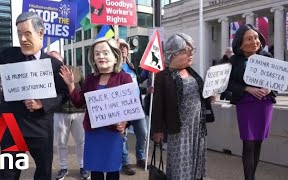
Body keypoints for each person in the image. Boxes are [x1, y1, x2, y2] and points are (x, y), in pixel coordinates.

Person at [0, 12, 68, 179]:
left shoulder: (55, 65)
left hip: (40, 126)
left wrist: (43, 103)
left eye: (27, 33)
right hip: (9, 126)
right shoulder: (8, 55)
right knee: (8, 174)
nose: (22, 39)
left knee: (43, 172)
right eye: (19, 34)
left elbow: (64, 94)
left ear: (40, 33)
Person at [59, 37, 131, 180]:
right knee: (96, 171)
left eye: (105, 52)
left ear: (115, 56)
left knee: (112, 171)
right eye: (97, 54)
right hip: (93, 133)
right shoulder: (91, 79)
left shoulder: (125, 78)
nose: (100, 56)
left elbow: (132, 107)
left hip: (113, 133)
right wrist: (71, 84)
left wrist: (125, 122)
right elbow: (79, 102)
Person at [151, 33, 214, 180]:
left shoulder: (193, 72)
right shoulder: (163, 76)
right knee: (180, 164)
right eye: (187, 51)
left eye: (192, 50)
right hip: (179, 130)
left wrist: (209, 97)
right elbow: (158, 105)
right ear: (173, 53)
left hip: (197, 128)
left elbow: (201, 96)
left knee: (196, 164)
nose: (191, 54)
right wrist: (157, 130)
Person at [227, 24, 277, 180]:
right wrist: (247, 89)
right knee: (248, 143)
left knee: (258, 142)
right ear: (240, 43)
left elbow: (277, 79)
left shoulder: (267, 57)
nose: (254, 41)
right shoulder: (234, 60)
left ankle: (252, 176)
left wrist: (269, 88)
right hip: (246, 104)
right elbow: (229, 84)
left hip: (264, 103)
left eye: (256, 37)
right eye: (249, 38)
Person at [48, 51, 90, 180]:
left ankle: (83, 167)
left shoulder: (75, 70)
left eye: (55, 59)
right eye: (50, 59)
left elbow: (85, 88)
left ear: (62, 60)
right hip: (60, 112)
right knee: (61, 142)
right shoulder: (46, 75)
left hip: (78, 112)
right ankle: (63, 167)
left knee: (81, 141)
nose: (53, 62)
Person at [118, 39, 148, 175]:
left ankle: (140, 157)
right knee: (122, 136)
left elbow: (135, 86)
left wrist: (147, 90)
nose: (123, 49)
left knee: (143, 133)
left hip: (137, 107)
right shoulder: (114, 68)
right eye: (120, 47)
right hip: (122, 108)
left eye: (124, 47)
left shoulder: (131, 66)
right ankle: (125, 162)